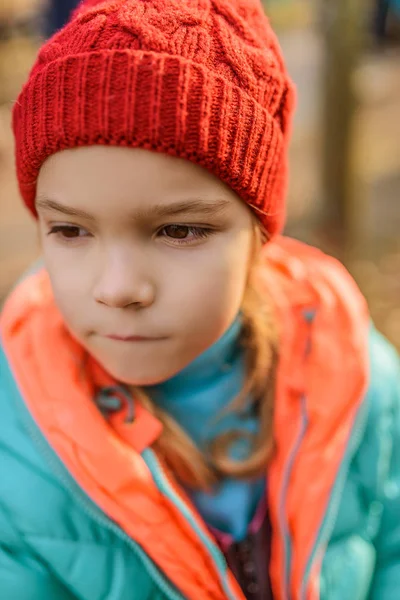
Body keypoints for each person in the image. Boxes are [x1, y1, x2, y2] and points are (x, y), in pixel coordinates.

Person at [1, 1, 399, 598]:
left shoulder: (359, 381)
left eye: (179, 230)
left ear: (259, 234)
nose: (118, 288)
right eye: (72, 230)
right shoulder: (16, 438)